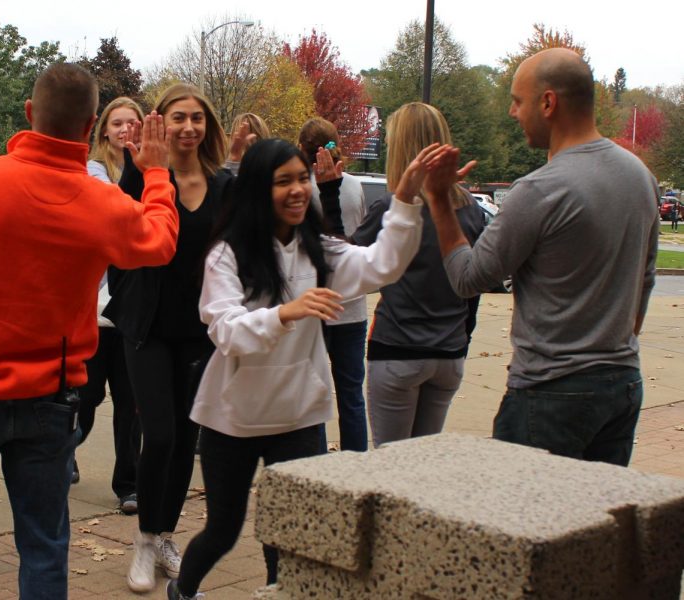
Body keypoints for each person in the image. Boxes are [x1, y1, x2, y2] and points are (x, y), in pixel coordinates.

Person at [0, 63, 179, 600]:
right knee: (44, 545)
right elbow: (161, 241)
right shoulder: (101, 204)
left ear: (30, 113)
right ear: (91, 122)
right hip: (50, 398)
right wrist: (157, 172)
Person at [166, 137, 433, 600]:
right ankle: (183, 590)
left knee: (288, 533)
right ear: (254, 190)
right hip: (233, 418)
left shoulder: (321, 250)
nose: (297, 190)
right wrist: (286, 313)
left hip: (299, 417)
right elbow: (225, 331)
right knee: (223, 531)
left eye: (302, 179)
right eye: (282, 181)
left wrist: (405, 200)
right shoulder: (226, 256)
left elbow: (383, 264)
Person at [424, 48, 659, 467]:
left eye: (518, 100)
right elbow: (645, 280)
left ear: (548, 103)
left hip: (550, 393)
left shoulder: (539, 190)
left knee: (526, 524)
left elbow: (467, 278)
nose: (513, 112)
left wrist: (440, 200)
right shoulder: (640, 176)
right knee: (598, 524)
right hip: (621, 384)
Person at [103, 82, 233, 593]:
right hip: (148, 326)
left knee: (185, 439)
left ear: (208, 127)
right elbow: (118, 228)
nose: (188, 127)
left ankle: (164, 535)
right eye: (178, 117)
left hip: (201, 331)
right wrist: (141, 164)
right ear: (162, 124)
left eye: (197, 118)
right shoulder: (142, 179)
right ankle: (142, 537)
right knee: (157, 434)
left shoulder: (224, 186)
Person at [345, 103, 484, 447]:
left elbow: (346, 265)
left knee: (391, 471)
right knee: (421, 467)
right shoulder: (471, 211)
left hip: (398, 348)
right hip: (448, 354)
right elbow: (473, 288)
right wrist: (462, 339)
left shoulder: (392, 208)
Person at [71, 96, 145, 517]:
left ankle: (128, 484)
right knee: (87, 397)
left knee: (130, 404)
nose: (124, 130)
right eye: (116, 123)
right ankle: (66, 450)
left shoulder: (151, 170)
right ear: (103, 131)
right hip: (96, 310)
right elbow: (118, 210)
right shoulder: (94, 172)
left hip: (132, 311)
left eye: (132, 123)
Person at [297, 117, 369, 452]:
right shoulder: (354, 185)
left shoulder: (301, 188)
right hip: (352, 305)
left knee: (314, 393)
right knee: (352, 395)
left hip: (315, 302)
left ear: (302, 148)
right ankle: (356, 459)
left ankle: (318, 460)